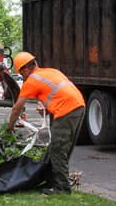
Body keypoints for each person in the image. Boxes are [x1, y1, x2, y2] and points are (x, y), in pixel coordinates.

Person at [6, 51, 86, 195]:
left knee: (58, 149)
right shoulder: (50, 71)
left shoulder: (31, 81)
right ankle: (52, 180)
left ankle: (62, 189)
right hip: (79, 106)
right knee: (62, 148)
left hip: (65, 110)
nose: (22, 76)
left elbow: (17, 107)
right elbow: (56, 92)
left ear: (25, 69)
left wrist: (10, 127)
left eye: (21, 72)